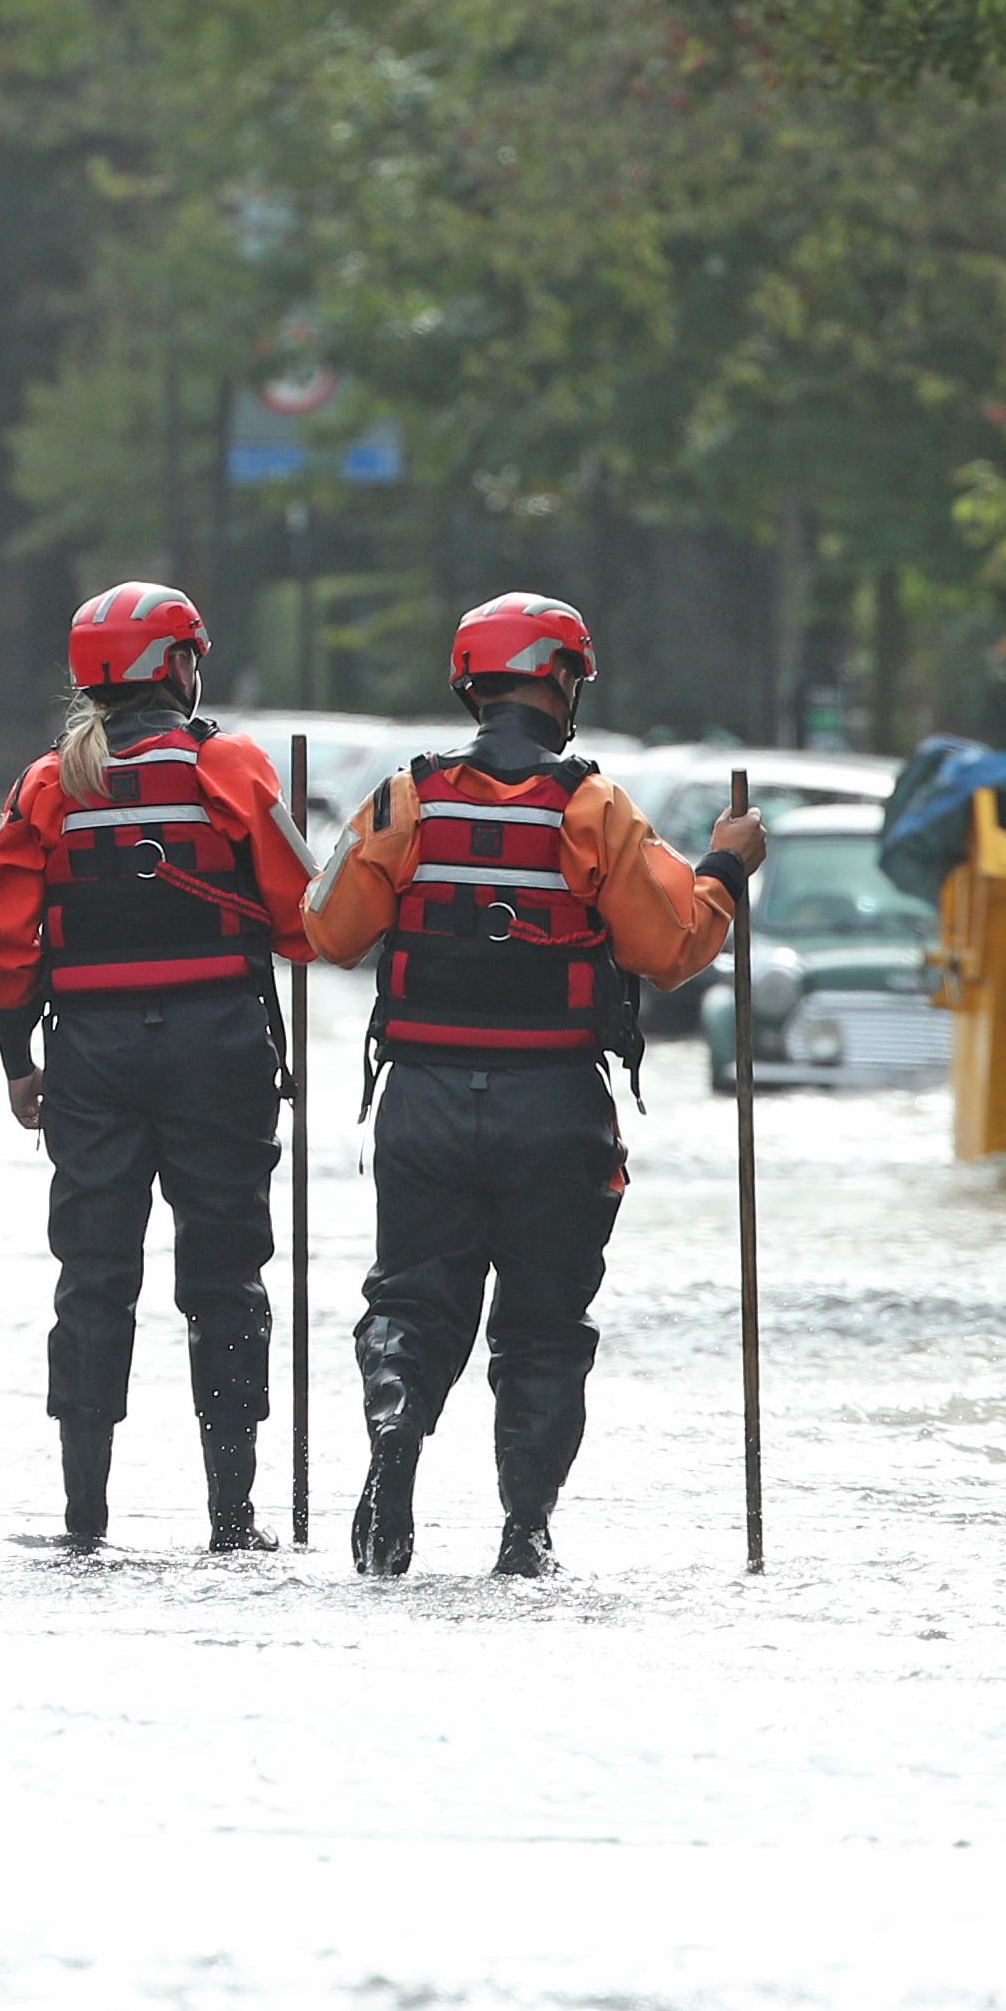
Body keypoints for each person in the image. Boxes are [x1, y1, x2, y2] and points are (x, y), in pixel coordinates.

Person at [300, 591, 763, 1579]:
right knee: (544, 1324)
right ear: (561, 681)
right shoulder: (594, 806)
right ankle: (525, 1535)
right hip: (554, 1107)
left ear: (470, 683)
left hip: (421, 1103)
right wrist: (725, 866)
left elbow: (329, 932)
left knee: (413, 1305)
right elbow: (673, 949)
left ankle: (392, 1439)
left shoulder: (405, 798)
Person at [0, 581, 314, 1552]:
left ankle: (84, 1523)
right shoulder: (232, 764)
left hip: (89, 1053)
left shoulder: (47, 782)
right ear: (176, 666)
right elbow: (300, 924)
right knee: (225, 1278)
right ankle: (232, 1521)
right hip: (218, 1049)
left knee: (91, 1278)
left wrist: (14, 1058)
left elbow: (5, 938)